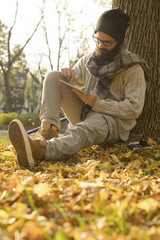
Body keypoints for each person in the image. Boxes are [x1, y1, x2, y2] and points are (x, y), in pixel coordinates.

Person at [8, 8, 147, 169]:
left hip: (111, 122)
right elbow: (72, 83)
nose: (101, 45)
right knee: (53, 77)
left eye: (107, 43)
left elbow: (134, 109)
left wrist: (98, 104)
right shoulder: (90, 59)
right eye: (98, 40)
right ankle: (46, 133)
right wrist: (68, 74)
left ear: (119, 42)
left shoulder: (133, 68)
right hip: (86, 111)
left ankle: (41, 151)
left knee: (81, 130)